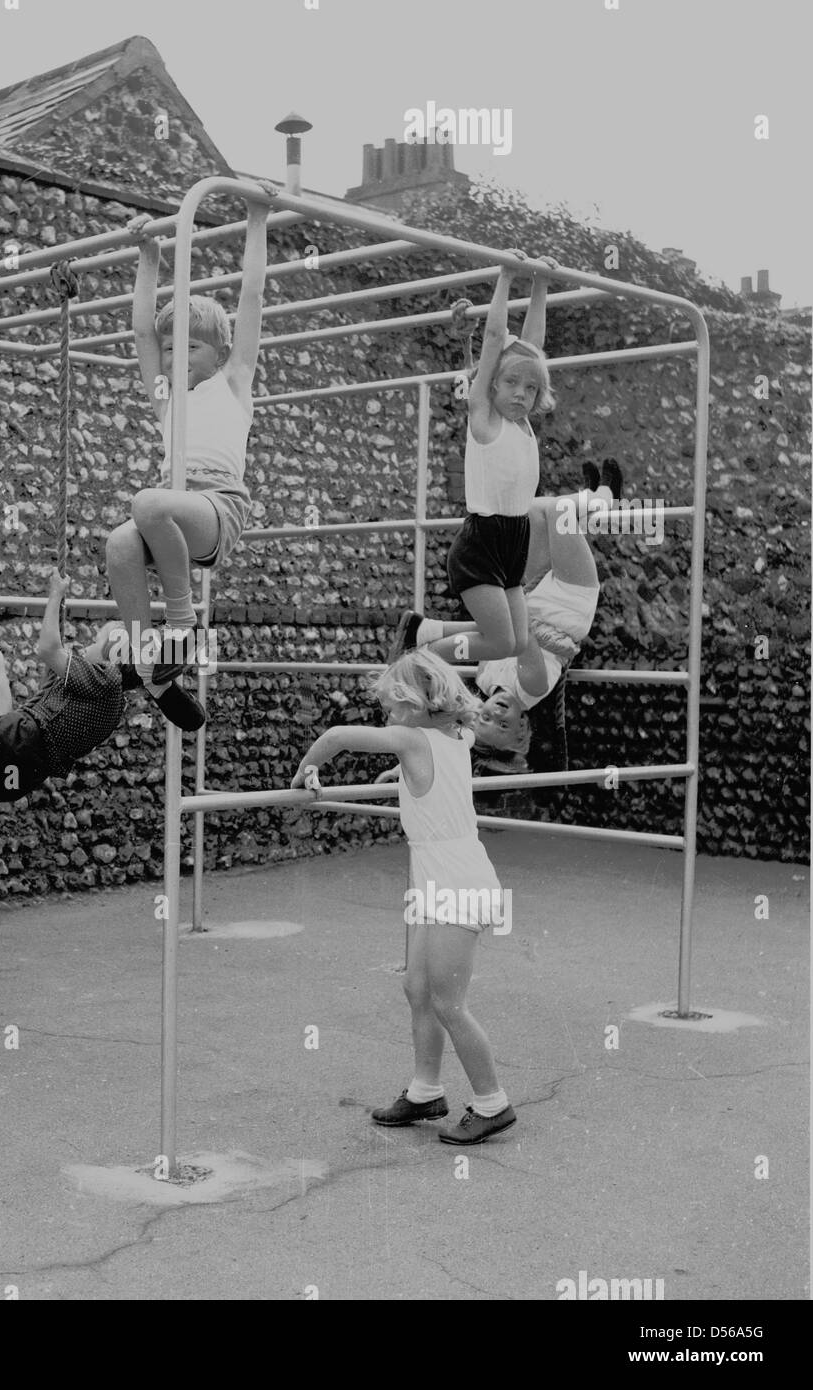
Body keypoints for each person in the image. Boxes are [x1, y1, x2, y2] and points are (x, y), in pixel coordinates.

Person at [292, 649, 517, 1145]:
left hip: (456, 884)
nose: (387, 717)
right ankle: (425, 1090)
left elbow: (333, 738)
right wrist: (403, 776)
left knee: (448, 1002)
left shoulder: (411, 737)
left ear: (415, 706)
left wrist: (305, 770)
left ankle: (492, 1102)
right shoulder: (454, 734)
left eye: (393, 706)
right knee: (417, 990)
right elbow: (442, 777)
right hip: (437, 879)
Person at [105, 189, 273, 726]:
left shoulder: (234, 381)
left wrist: (256, 219)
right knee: (119, 543)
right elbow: (140, 330)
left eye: (191, 349)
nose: (177, 357)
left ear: (219, 354)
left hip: (217, 508)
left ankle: (183, 621)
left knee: (147, 504)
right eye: (172, 349)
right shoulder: (165, 396)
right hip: (173, 512)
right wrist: (149, 256)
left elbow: (252, 295)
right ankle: (149, 663)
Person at [0, 571, 197, 806]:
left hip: (11, 743)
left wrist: (55, 595)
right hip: (10, 782)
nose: (86, 646)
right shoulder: (114, 705)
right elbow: (53, 693)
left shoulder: (105, 679)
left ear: (111, 655)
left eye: (96, 642)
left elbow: (47, 649)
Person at [395, 463, 626, 772]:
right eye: (503, 726)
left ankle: (588, 496)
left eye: (486, 718)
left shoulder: (485, 680)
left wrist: (432, 640)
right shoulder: (533, 689)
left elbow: (490, 631)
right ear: (521, 730)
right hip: (569, 603)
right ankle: (605, 497)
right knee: (560, 514)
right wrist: (432, 655)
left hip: (533, 596)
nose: (497, 714)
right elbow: (520, 637)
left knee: (531, 511)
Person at [391, 252, 559, 668]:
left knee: (518, 642)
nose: (521, 394)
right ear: (492, 385)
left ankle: (423, 632)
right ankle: (418, 659)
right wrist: (505, 276)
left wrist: (541, 284)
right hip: (482, 544)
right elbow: (493, 339)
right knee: (500, 642)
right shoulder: (485, 417)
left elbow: (532, 347)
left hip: (514, 542)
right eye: (511, 383)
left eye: (531, 389)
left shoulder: (523, 425)